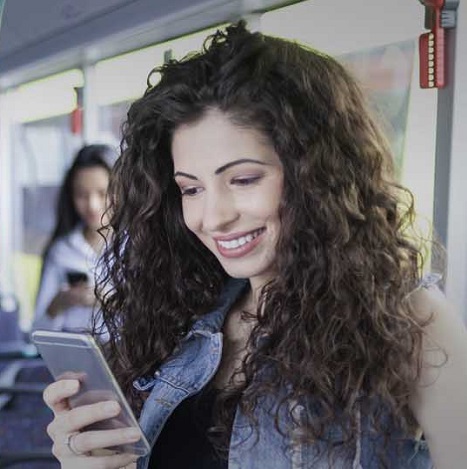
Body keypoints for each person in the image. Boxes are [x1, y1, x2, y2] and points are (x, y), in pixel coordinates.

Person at [42, 22, 467, 469]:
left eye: (243, 180)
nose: (213, 216)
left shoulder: (409, 321)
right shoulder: (181, 318)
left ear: (317, 176)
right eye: (190, 189)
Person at [32, 144, 114, 332]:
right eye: (81, 195)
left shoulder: (138, 246)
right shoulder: (61, 251)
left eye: (102, 193)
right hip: (73, 356)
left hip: (126, 357)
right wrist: (61, 302)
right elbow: (37, 332)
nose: (93, 205)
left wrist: (109, 300)